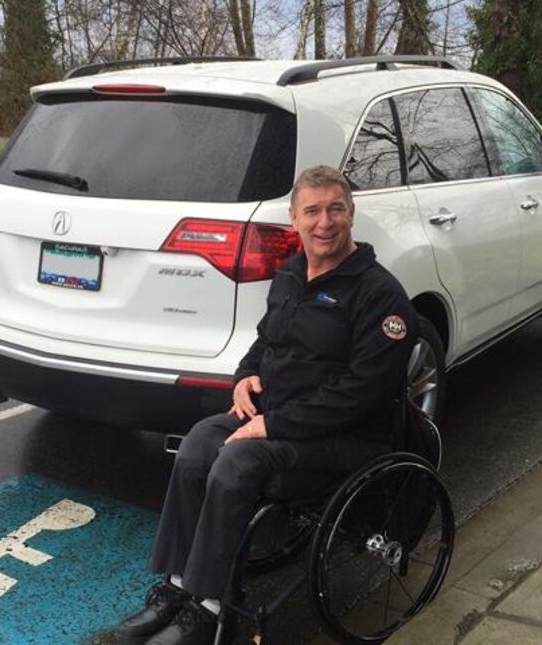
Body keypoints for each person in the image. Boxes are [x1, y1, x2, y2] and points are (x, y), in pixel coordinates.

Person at [117, 165, 417, 645]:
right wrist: (243, 379)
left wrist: (272, 424)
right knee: (196, 444)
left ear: (352, 214)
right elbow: (264, 343)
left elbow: (363, 394)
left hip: (346, 439)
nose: (325, 222)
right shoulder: (291, 273)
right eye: (312, 211)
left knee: (237, 459)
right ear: (294, 218)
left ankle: (210, 609)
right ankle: (176, 588)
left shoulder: (381, 296)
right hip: (277, 418)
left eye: (335, 209)